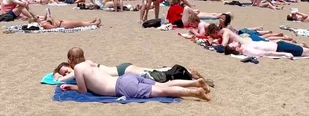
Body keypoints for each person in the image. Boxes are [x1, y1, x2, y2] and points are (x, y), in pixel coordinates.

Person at [60, 48, 211, 101]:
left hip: (121, 86)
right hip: (125, 78)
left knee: (163, 91)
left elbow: (83, 90)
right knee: (162, 85)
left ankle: (195, 92)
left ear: (71, 60)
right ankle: (196, 82)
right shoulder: (90, 63)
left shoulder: (78, 68)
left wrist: (72, 87)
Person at [206, 24, 309, 59]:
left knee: (307, 51)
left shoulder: (226, 33)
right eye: (232, 45)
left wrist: (213, 43)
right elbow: (264, 54)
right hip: (278, 48)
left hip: (276, 46)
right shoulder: (245, 48)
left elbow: (223, 46)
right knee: (308, 53)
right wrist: (283, 55)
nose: (232, 43)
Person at [36, 8, 101, 29]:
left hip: (61, 22)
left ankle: (90, 22)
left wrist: (48, 15)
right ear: (37, 21)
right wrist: (52, 18)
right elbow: (54, 27)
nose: (39, 17)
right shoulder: (44, 24)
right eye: (38, 17)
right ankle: (94, 24)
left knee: (78, 22)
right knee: (78, 23)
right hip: (61, 25)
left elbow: (45, 18)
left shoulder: (43, 22)